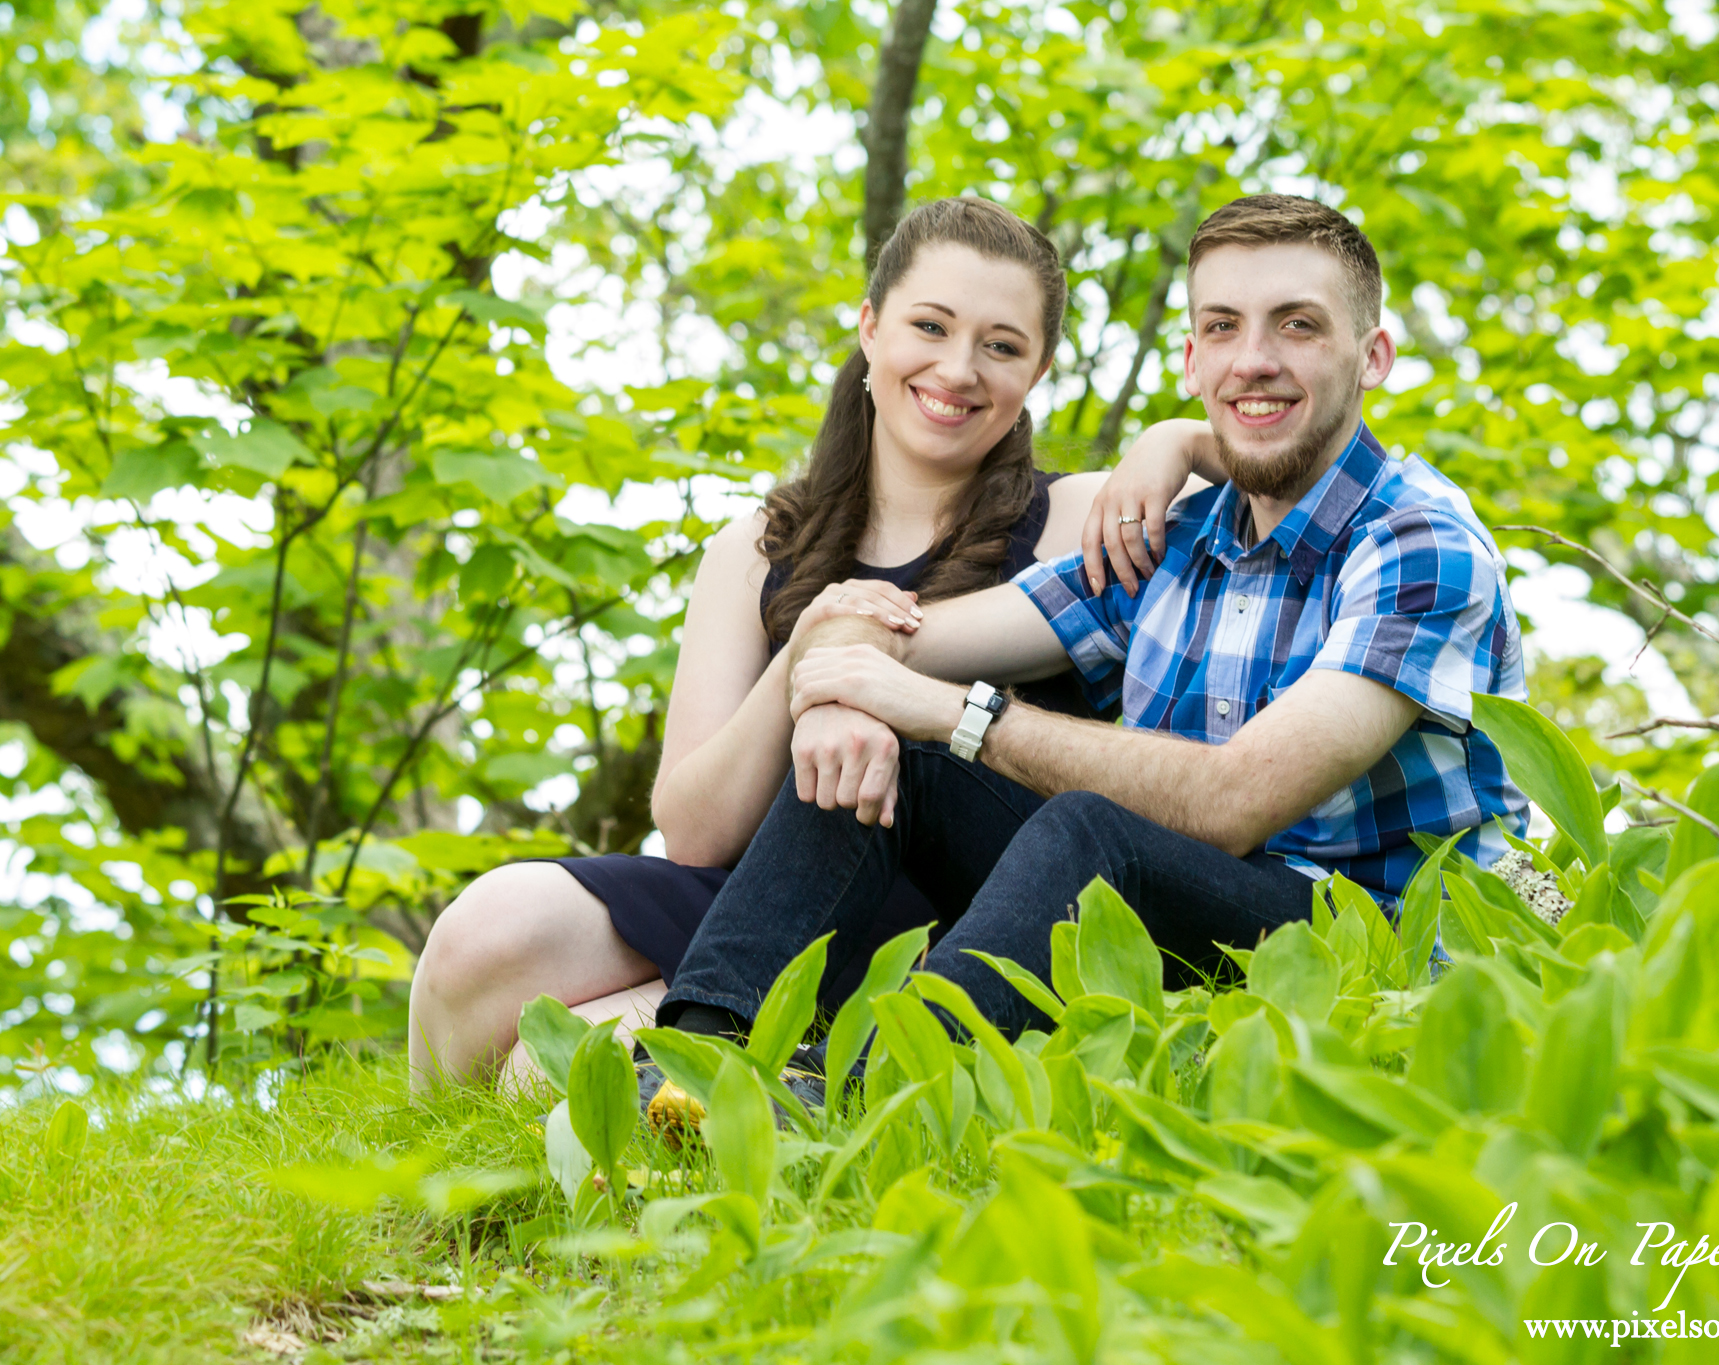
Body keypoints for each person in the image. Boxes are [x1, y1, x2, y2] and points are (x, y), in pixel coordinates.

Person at [652, 193, 1530, 1055]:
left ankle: (883, 1083)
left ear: (1372, 357)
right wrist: (847, 683)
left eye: (1297, 326)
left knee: (1087, 822)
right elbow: (899, 634)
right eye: (1223, 328)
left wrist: (947, 710)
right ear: (1192, 361)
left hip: (1365, 952)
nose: (1253, 359)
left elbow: (1235, 802)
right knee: (911, 757)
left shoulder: (1420, 545)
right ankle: (700, 1054)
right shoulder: (1174, 542)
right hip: (1187, 921)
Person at [407, 197, 1216, 1089]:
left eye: (1001, 345)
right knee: (483, 939)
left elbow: (1279, 461)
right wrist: (809, 661)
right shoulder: (754, 551)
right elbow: (694, 833)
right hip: (781, 907)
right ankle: (423, 1209)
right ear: (870, 327)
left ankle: (774, 1079)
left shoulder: (1079, 517)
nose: (958, 368)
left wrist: (1174, 439)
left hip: (969, 922)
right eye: (930, 325)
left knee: (549, 1068)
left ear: (1040, 369)